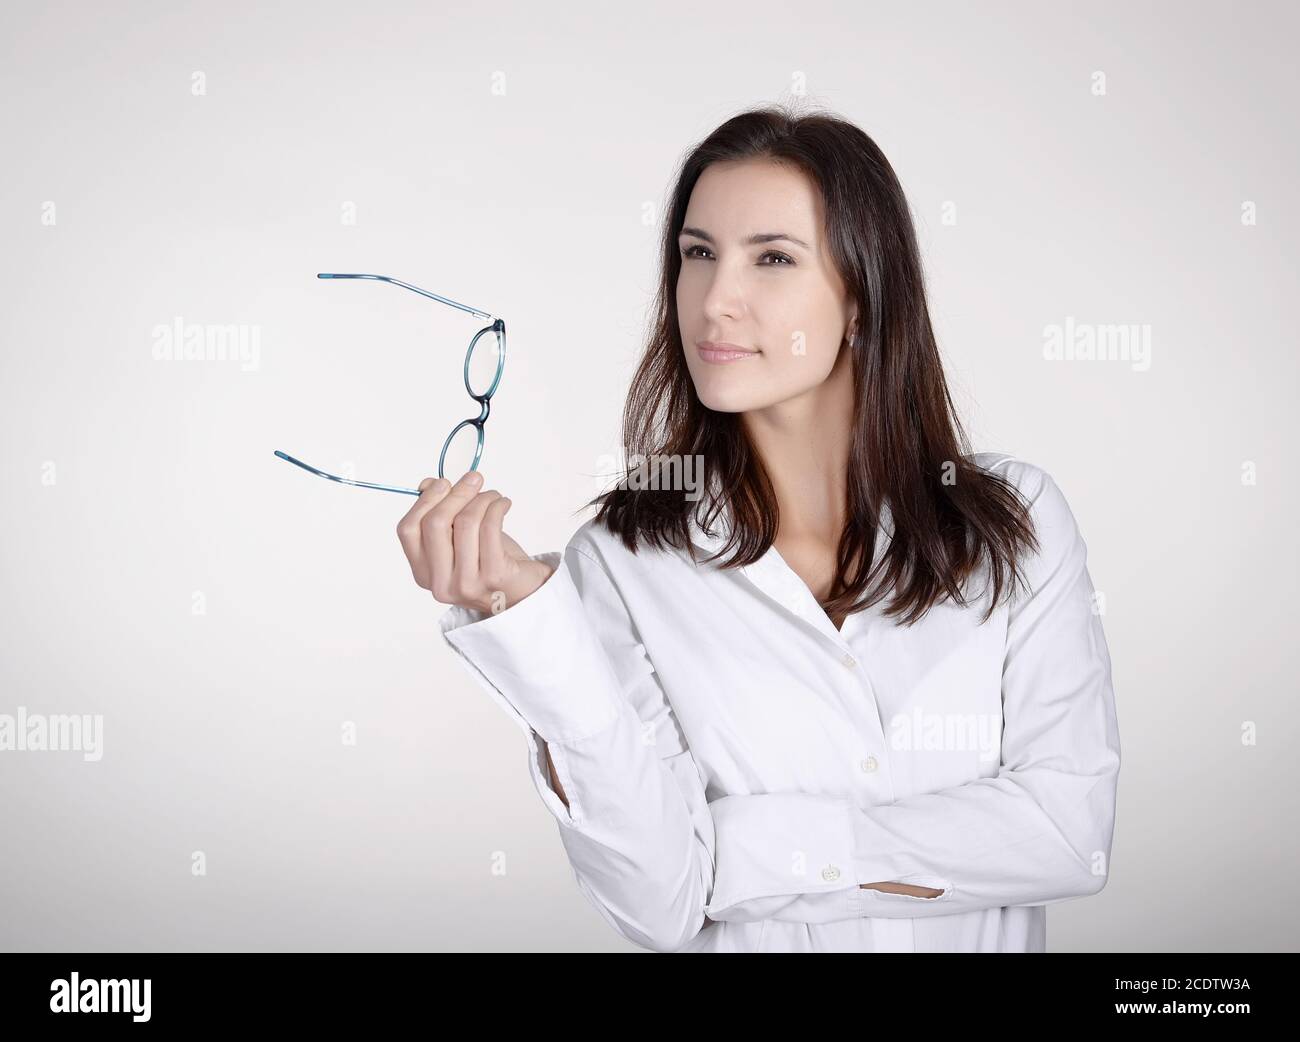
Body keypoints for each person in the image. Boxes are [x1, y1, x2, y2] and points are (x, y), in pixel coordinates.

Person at [395, 104, 1120, 953]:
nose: (716, 300)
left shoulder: (1014, 525)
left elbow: (1071, 835)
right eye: (697, 254)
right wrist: (533, 629)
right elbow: (661, 903)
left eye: (771, 258)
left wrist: (746, 851)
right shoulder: (622, 563)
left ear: (862, 297)